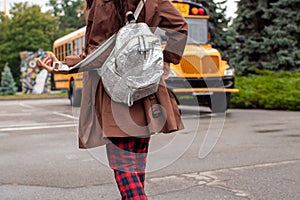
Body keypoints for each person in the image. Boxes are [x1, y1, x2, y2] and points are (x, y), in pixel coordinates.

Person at [39, 0, 188, 199]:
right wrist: (162, 61)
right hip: (147, 92)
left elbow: (97, 55)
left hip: (115, 93)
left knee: (124, 166)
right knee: (137, 164)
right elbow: (180, 27)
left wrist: (61, 66)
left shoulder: (104, 3)